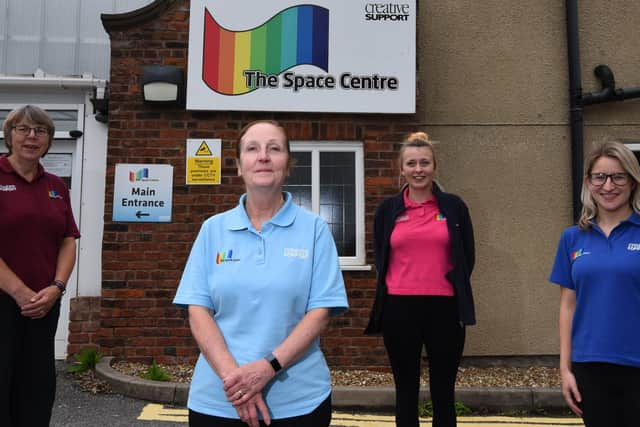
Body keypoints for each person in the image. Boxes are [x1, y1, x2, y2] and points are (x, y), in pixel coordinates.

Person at [173, 120, 348, 427]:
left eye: (274, 149)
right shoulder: (213, 230)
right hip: (218, 401)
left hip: (298, 402)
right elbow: (197, 310)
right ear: (239, 166)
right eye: (252, 149)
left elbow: (320, 312)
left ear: (288, 165)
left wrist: (268, 368)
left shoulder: (315, 230)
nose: (263, 156)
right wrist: (237, 381)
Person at [365, 132, 475, 427]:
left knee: (443, 392)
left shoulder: (454, 207)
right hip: (399, 309)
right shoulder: (388, 210)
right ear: (401, 169)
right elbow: (381, 254)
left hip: (445, 308)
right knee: (406, 391)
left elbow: (467, 257)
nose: (418, 169)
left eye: (424, 163)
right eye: (411, 163)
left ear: (434, 166)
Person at [550, 141, 640, 427]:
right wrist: (565, 369)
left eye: (618, 176)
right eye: (600, 177)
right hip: (590, 366)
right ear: (588, 183)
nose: (608, 185)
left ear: (633, 181)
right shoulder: (572, 238)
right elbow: (567, 306)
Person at [0, 105, 80, 427]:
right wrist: (21, 293)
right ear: (10, 135)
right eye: (23, 129)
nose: (32, 137)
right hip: (5, 302)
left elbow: (67, 240)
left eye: (41, 131)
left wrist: (56, 289)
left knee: (37, 387)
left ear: (49, 139)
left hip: (44, 306)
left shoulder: (57, 186)